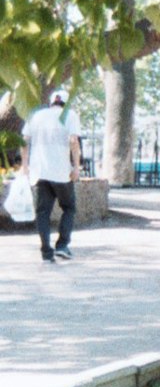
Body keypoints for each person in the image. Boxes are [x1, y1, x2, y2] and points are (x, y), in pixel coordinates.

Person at [22, 89, 82, 264]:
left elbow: (24, 141)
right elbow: (73, 141)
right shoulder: (70, 115)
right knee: (69, 207)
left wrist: (25, 167)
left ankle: (46, 252)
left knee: (43, 212)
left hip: (40, 172)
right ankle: (62, 246)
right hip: (62, 172)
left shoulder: (36, 116)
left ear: (51, 102)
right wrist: (76, 167)